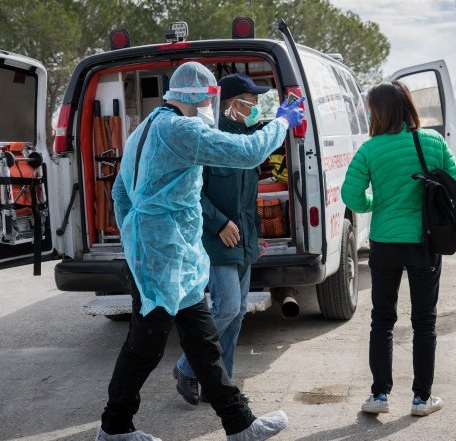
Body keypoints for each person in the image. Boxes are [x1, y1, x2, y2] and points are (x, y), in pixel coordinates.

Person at [98, 62, 304, 441]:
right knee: (144, 346)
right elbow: (247, 152)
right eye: (213, 97)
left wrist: (135, 236)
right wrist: (282, 122)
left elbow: (120, 192)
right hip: (162, 258)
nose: (214, 103)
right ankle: (114, 429)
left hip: (168, 255)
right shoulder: (181, 129)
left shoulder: (144, 127)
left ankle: (239, 424)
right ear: (203, 96)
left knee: (204, 343)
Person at [341, 81, 456, 417]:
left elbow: (351, 196)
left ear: (377, 113)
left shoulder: (370, 149)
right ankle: (422, 399)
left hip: (385, 242)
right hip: (424, 241)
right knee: (425, 321)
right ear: (408, 106)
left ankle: (379, 395)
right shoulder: (433, 141)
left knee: (382, 319)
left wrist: (376, 202)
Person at [173, 73, 271, 406]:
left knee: (238, 310)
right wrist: (218, 224)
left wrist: (254, 235)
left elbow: (248, 199)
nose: (256, 107)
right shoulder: (210, 138)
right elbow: (192, 191)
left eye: (257, 102)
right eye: (251, 101)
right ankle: (186, 366)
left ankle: (221, 383)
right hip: (216, 239)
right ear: (232, 103)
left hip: (242, 240)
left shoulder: (248, 139)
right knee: (227, 306)